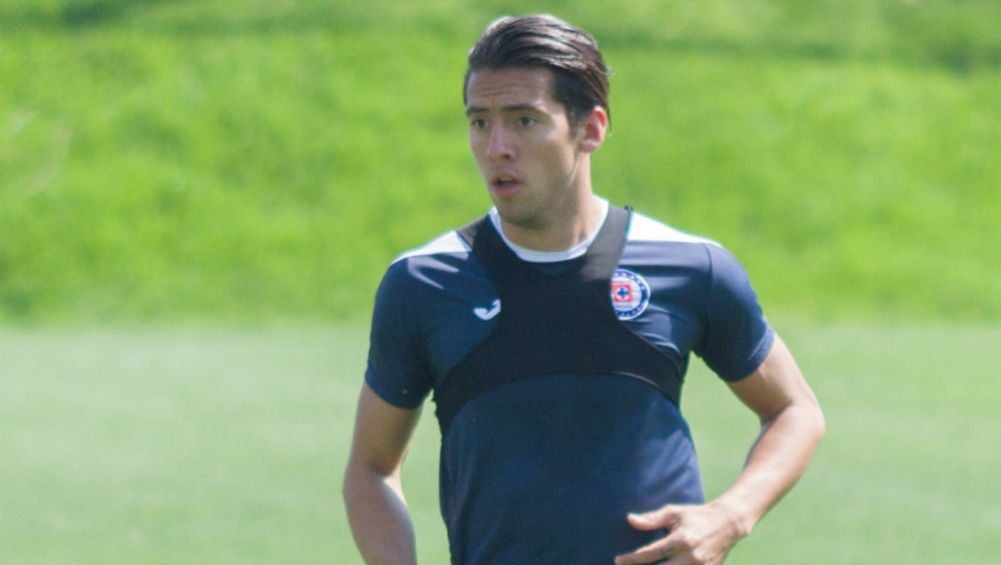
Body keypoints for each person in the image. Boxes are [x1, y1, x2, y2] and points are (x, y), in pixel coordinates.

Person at [343, 14, 825, 565]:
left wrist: (731, 514)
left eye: (525, 121)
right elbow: (371, 467)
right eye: (480, 122)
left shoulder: (691, 268)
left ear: (590, 129)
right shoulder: (423, 284)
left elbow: (795, 410)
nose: (497, 146)